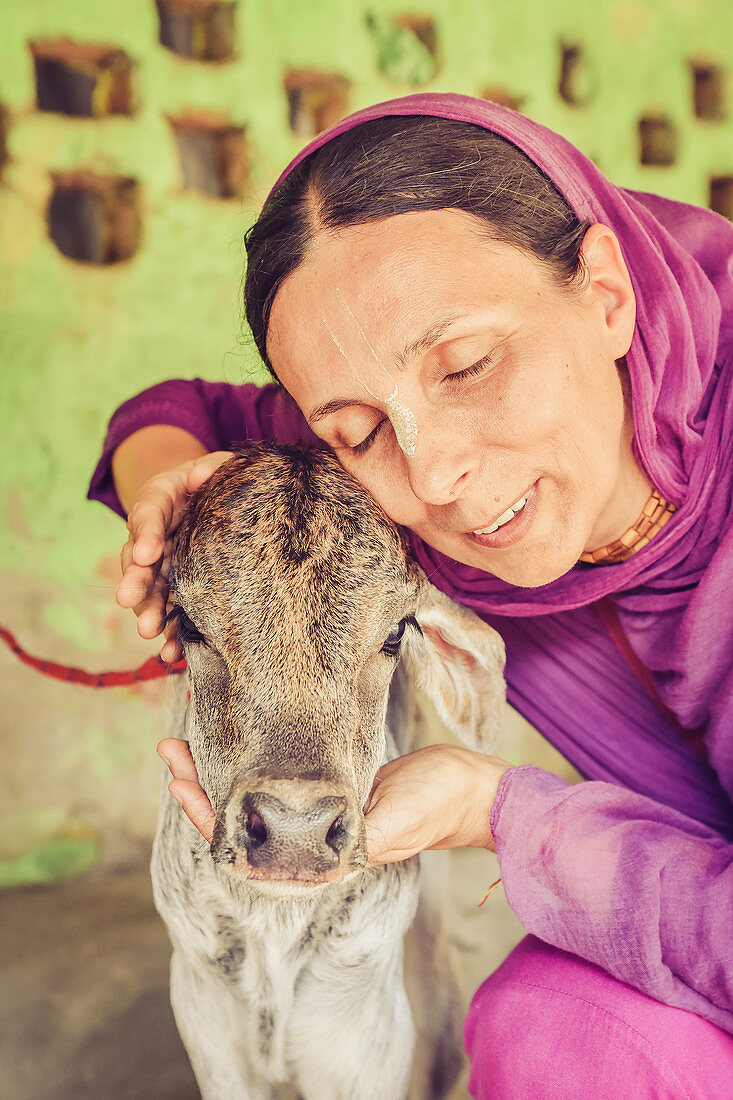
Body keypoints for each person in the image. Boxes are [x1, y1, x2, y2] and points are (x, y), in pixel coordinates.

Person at [89, 93, 733, 1097]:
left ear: (605, 291)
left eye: (467, 365)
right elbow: (174, 413)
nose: (432, 480)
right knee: (554, 1029)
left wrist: (496, 811)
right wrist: (168, 514)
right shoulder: (421, 462)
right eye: (351, 432)